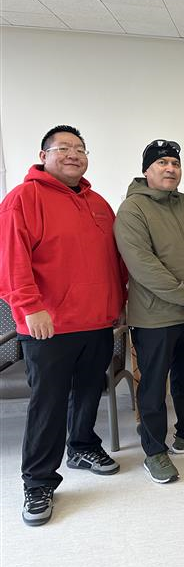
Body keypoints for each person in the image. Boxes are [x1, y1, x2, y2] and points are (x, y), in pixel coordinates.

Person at [0, 125, 126, 526]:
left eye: (80, 148)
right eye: (63, 148)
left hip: (97, 320)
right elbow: (10, 262)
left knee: (89, 393)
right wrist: (30, 308)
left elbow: (114, 261)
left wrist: (118, 305)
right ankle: (37, 481)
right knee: (48, 404)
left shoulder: (99, 203)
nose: (73, 154)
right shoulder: (23, 199)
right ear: (43, 154)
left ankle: (82, 446)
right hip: (47, 325)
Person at [114, 139, 184, 483]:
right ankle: (154, 451)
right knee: (152, 387)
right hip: (155, 317)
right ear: (147, 169)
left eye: (175, 163)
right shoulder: (132, 210)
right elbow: (142, 264)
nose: (170, 168)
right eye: (162, 162)